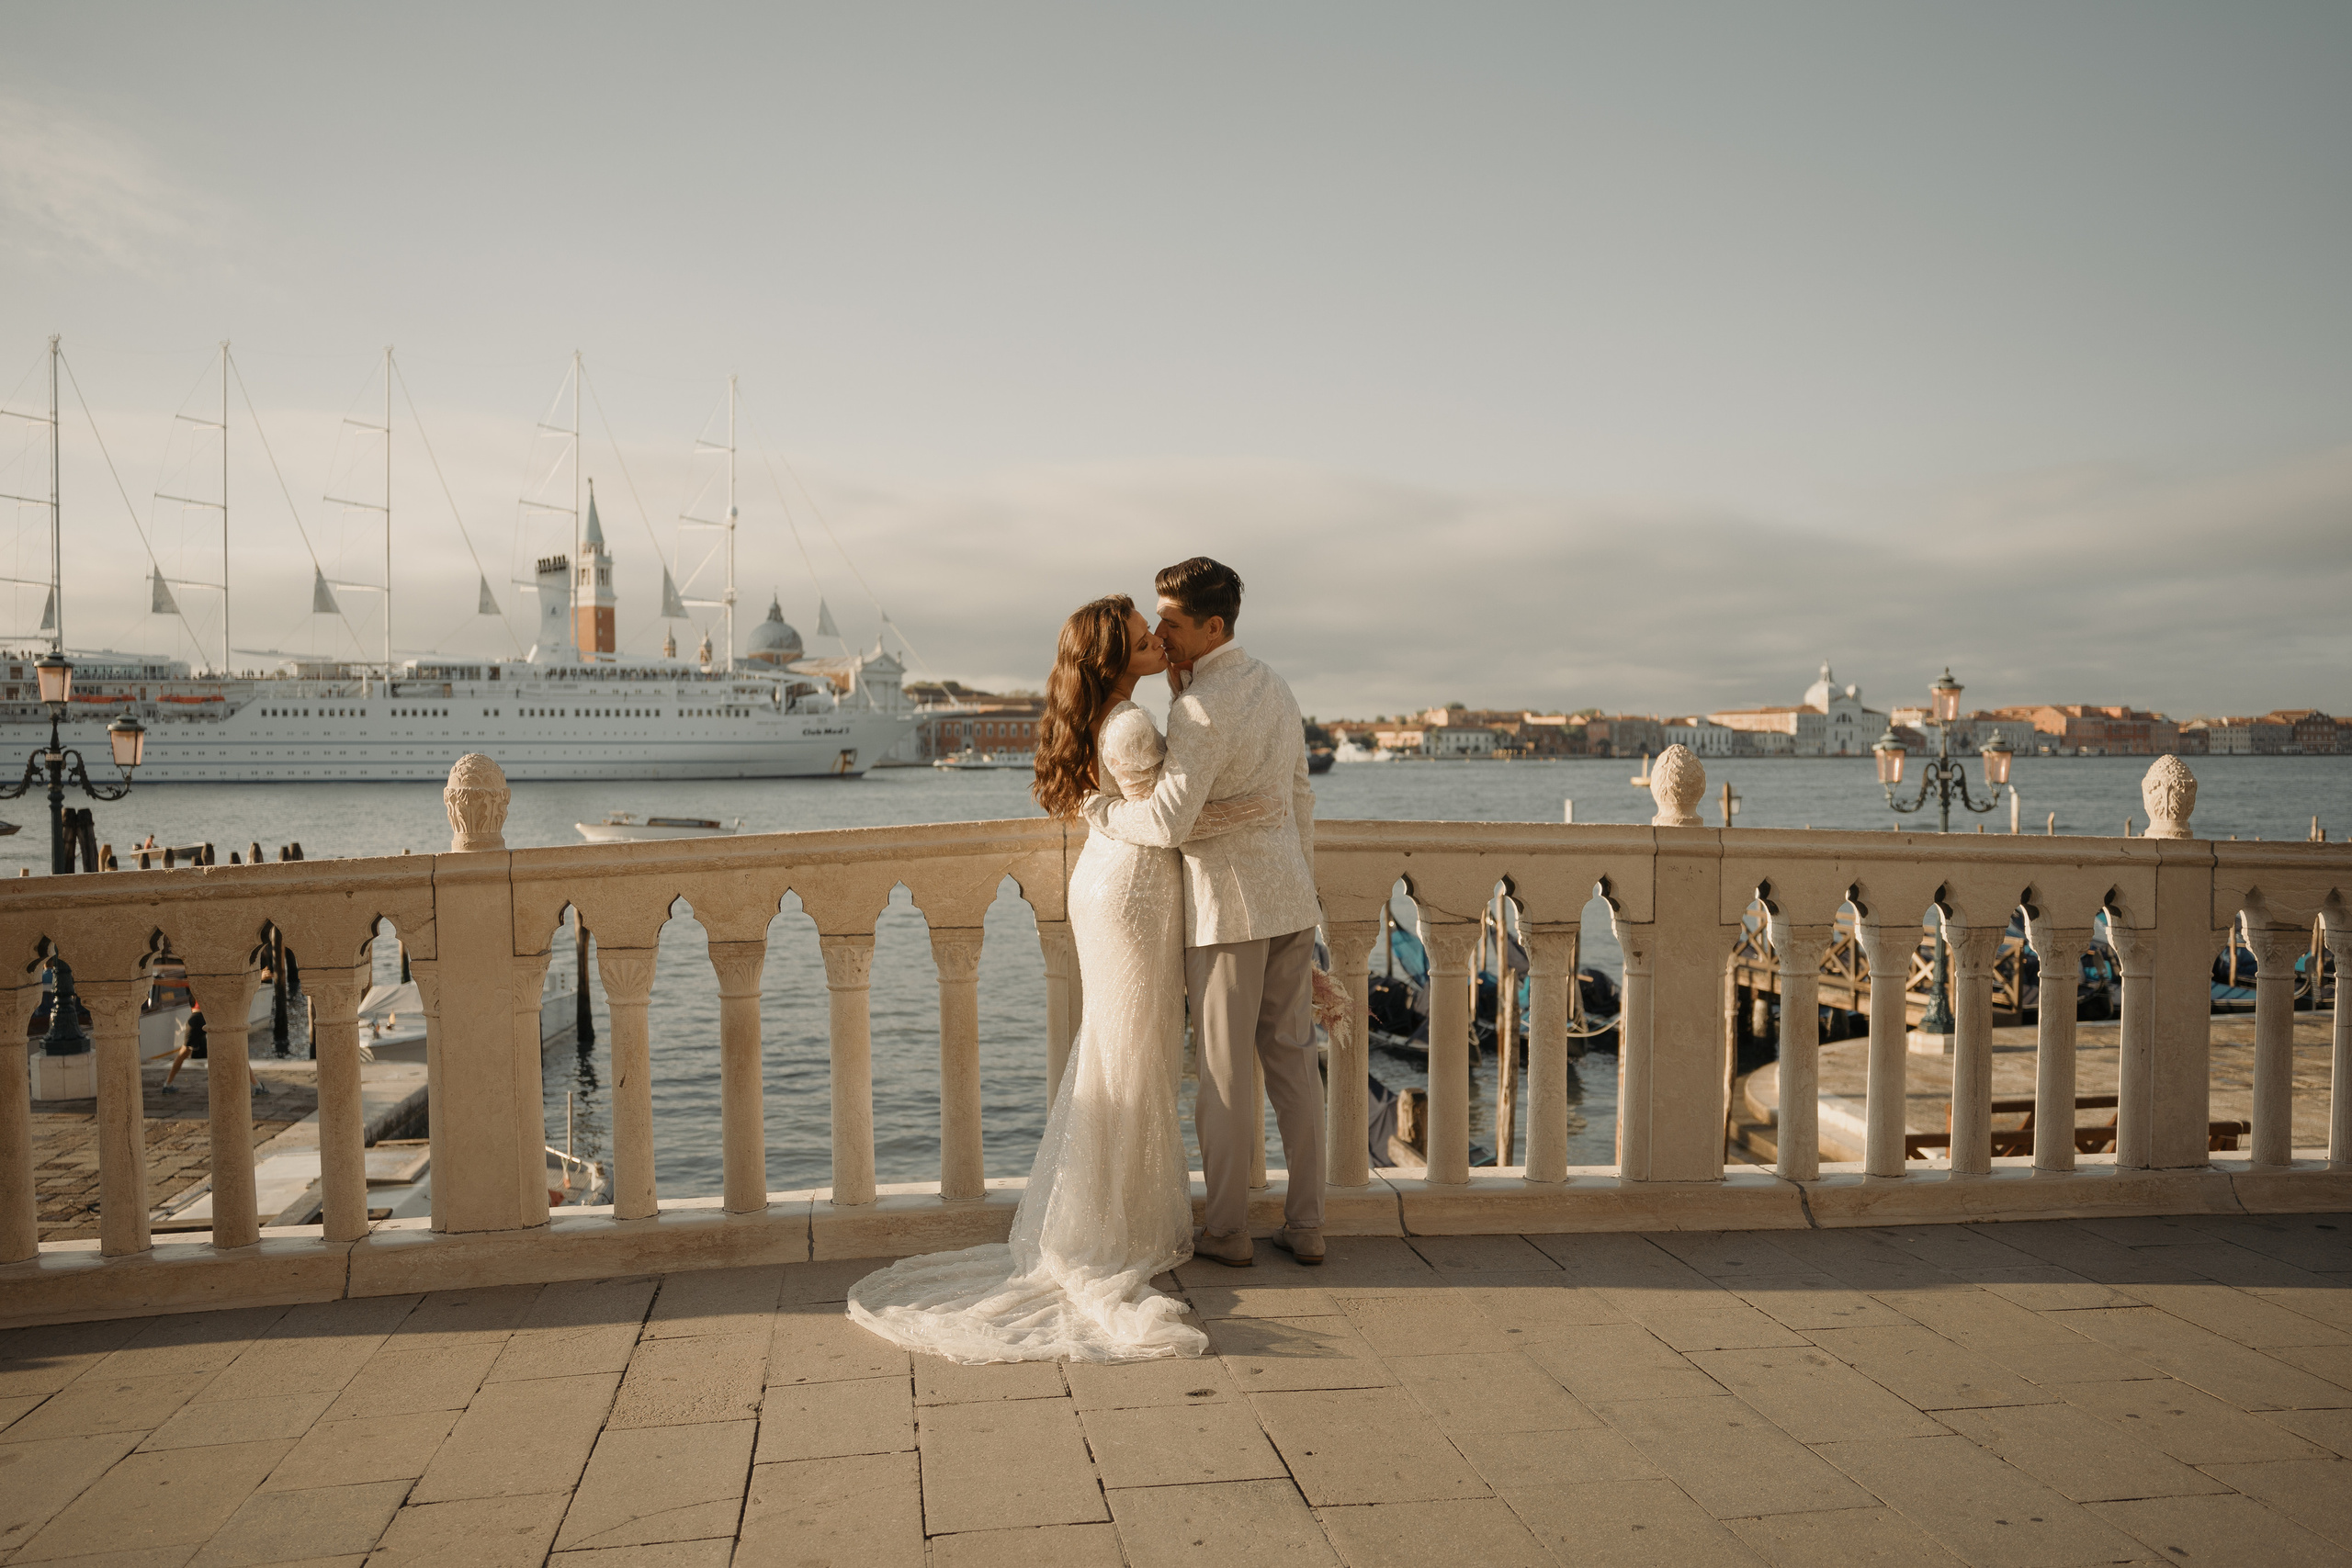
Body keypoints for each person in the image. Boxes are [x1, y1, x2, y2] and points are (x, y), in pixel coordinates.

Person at [847, 593, 1283, 1362]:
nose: (1159, 642)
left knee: (1118, 1049)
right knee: (1133, 1053)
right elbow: (1172, 822)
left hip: (1108, 883)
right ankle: (1112, 1228)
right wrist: (1257, 809)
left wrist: (1112, 810)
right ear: (1114, 658)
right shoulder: (1132, 723)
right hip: (1135, 891)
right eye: (1145, 639)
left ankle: (1109, 1217)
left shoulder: (1103, 716)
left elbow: (1139, 809)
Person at [1081, 557, 1324, 1267]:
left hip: (1227, 910)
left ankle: (1227, 1230)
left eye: (1172, 623)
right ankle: (1308, 1225)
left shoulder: (1194, 709)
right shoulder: (1274, 684)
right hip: (1290, 897)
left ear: (1213, 626)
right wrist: (1302, 882)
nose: (1160, 634)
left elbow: (1167, 822)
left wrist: (1101, 810)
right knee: (1294, 1068)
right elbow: (1300, 798)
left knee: (1223, 1077)